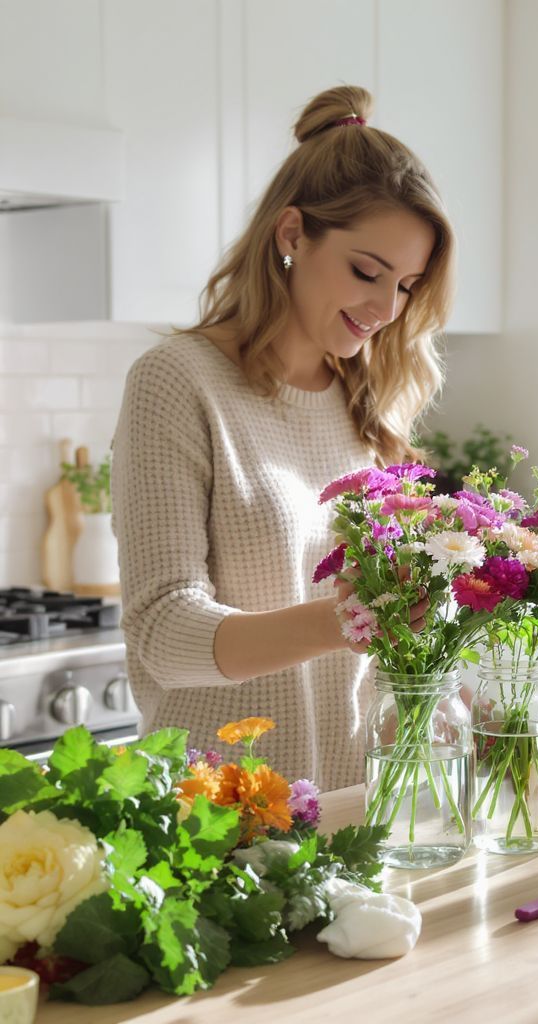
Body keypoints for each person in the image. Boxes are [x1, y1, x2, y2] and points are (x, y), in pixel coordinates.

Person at [112, 85, 453, 790]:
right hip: (218, 816)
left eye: (407, 286)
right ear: (292, 234)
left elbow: (363, 675)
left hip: (350, 809)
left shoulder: (368, 402)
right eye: (367, 272)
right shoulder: (176, 382)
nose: (386, 309)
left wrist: (438, 697)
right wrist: (346, 621)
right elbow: (163, 634)